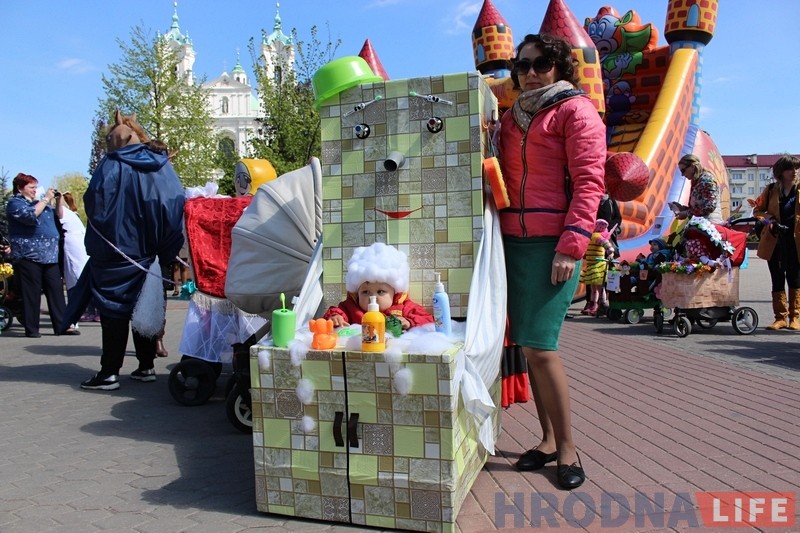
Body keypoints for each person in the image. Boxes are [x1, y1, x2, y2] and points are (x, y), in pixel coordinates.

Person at [497, 33, 606, 490]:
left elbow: (589, 182)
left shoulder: (575, 111)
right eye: (521, 65)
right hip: (511, 243)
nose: (530, 72)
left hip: (553, 245)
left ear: (559, 66)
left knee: (542, 349)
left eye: (540, 63)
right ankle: (545, 441)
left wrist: (572, 243)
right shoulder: (509, 119)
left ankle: (568, 449)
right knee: (528, 348)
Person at [66, 110, 185, 391]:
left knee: (114, 312)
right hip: (150, 254)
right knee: (145, 306)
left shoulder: (111, 164)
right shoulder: (160, 165)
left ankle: (109, 373)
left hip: (116, 253)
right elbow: (174, 204)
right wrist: (164, 248)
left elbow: (96, 201)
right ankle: (146, 366)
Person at [6, 174, 79, 338]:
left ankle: (62, 325)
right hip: (28, 255)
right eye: (31, 187)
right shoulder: (16, 203)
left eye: (35, 187)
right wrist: (45, 199)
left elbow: (59, 215)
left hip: (50, 256)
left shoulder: (40, 203)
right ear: (20, 188)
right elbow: (30, 216)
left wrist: (58, 201)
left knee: (56, 291)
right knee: (31, 293)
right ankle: (32, 328)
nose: (34, 190)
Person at [322, 242, 434, 330]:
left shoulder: (405, 308)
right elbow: (335, 313)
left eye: (380, 292)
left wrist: (409, 322)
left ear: (395, 293)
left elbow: (429, 320)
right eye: (365, 292)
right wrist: (335, 318)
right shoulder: (351, 308)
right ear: (357, 294)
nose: (372, 298)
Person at [752, 155, 800, 330]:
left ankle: (795, 317)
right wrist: (770, 219)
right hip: (775, 241)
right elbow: (757, 211)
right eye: (790, 168)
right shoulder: (771, 190)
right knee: (777, 278)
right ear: (780, 172)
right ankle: (780, 318)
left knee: (795, 278)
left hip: (796, 242)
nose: (795, 172)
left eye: (797, 168)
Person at [58, 192, 97, 325]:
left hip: (74, 250)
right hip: (81, 249)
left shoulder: (65, 214)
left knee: (76, 282)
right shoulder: (74, 215)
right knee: (85, 280)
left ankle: (77, 315)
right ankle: (93, 312)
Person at [670, 154, 723, 223]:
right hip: (701, 224)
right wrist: (682, 209)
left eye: (683, 170)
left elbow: (709, 207)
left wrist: (686, 213)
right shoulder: (697, 182)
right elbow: (697, 209)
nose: (682, 175)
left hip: (710, 225)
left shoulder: (707, 180)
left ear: (692, 167)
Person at [578, 219, 615, 316]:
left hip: (598, 265)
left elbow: (606, 244)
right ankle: (593, 305)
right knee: (594, 288)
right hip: (592, 264)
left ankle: (601, 305)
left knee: (599, 287)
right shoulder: (592, 236)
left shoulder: (596, 236)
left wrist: (610, 251)